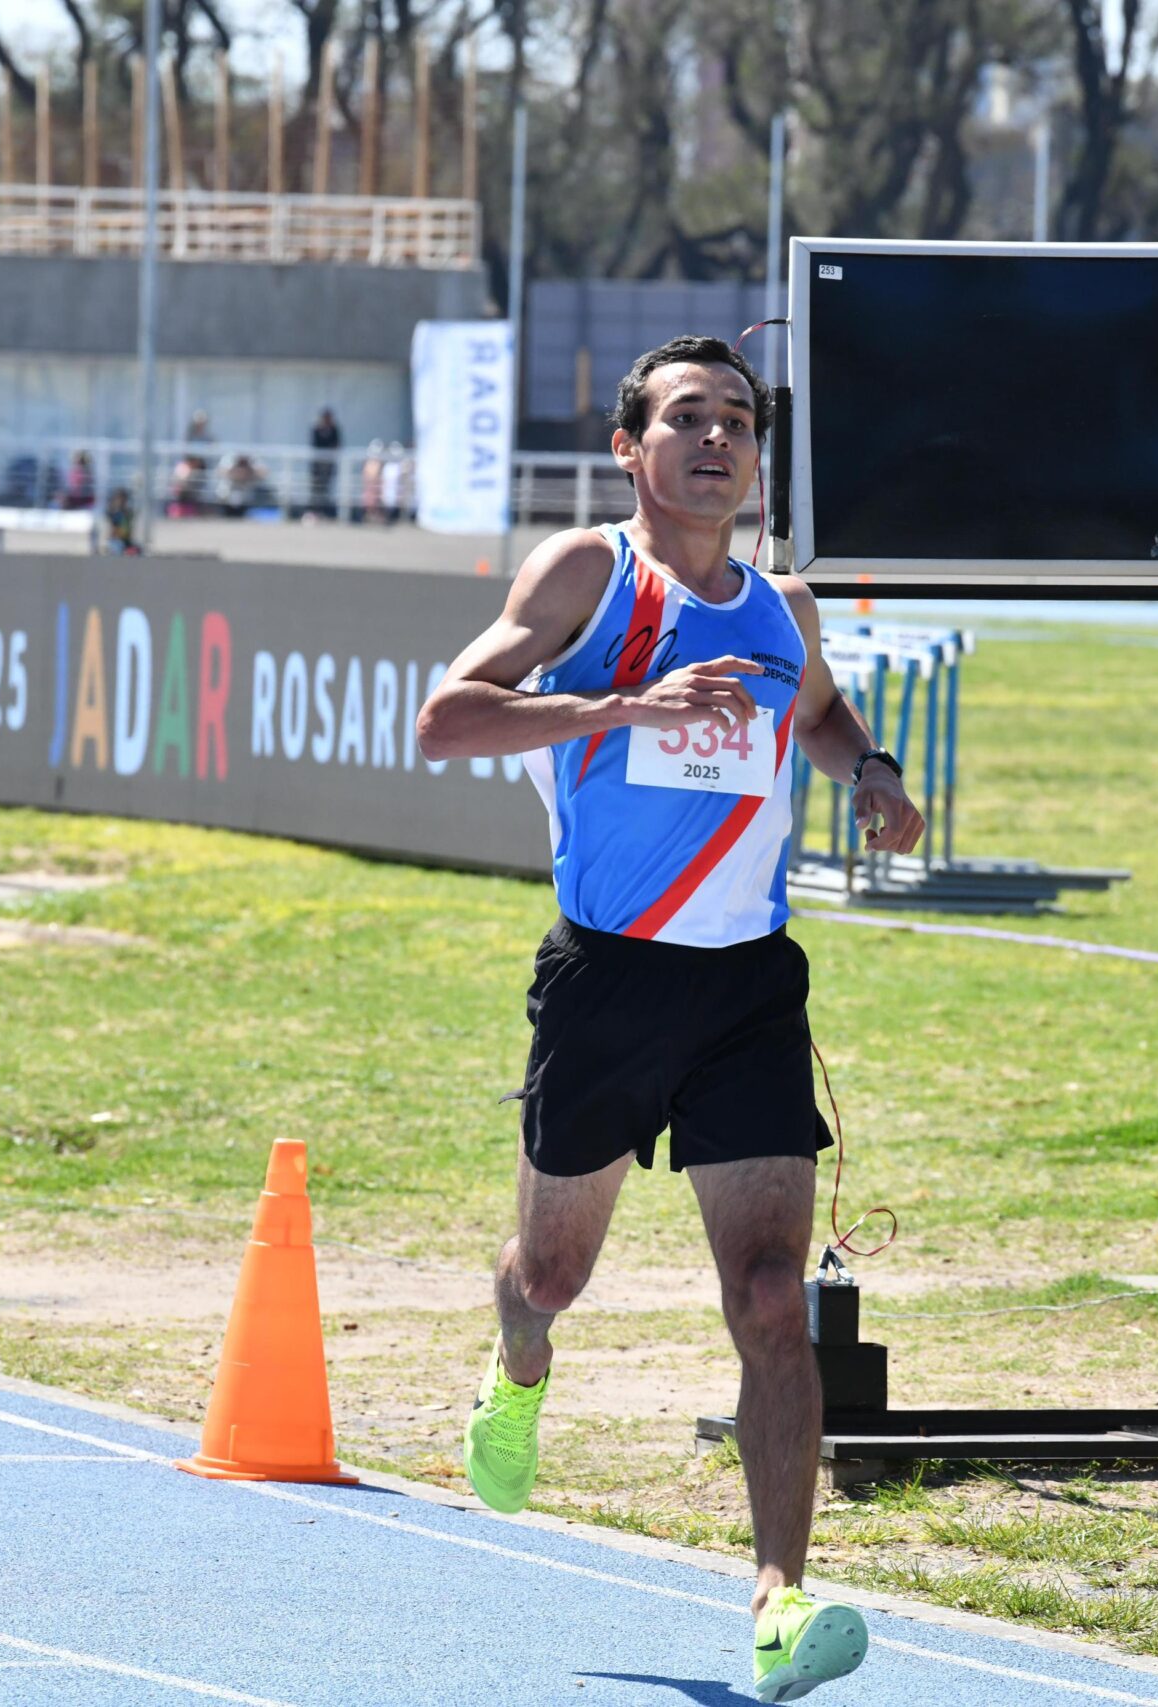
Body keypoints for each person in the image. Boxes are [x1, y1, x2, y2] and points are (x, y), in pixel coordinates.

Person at [416, 334, 923, 1704]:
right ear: (631, 448)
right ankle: (516, 1362)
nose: (717, 441)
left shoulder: (785, 604)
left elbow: (814, 712)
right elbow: (447, 718)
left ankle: (777, 1601)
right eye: (687, 418)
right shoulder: (589, 576)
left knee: (771, 1294)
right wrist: (624, 701)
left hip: (749, 984)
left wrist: (870, 769)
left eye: (740, 422)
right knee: (553, 1276)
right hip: (610, 978)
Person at [307, 406, 341, 519]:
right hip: (317, 466)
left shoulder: (334, 429)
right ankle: (314, 511)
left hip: (329, 465)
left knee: (326, 488)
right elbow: (315, 445)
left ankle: (325, 512)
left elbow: (337, 445)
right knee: (316, 488)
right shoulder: (316, 429)